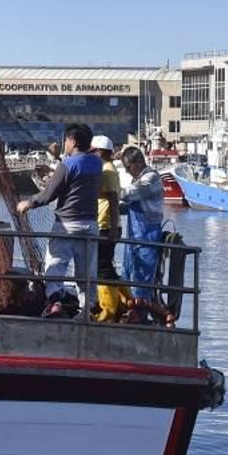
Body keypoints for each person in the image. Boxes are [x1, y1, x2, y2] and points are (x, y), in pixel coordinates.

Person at [16, 123, 101, 311]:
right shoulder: (96, 163)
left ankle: (55, 304)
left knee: (54, 267)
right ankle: (88, 311)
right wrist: (55, 173)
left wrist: (27, 203)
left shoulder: (67, 164)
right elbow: (75, 179)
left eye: (66, 140)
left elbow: (47, 196)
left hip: (67, 225)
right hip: (90, 225)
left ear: (72, 141)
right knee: (86, 273)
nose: (65, 144)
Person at [118, 146, 167, 301]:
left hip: (148, 238)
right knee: (127, 275)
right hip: (132, 239)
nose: (126, 171)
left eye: (128, 167)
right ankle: (127, 310)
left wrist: (109, 190)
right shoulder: (137, 179)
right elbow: (128, 206)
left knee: (143, 280)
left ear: (139, 162)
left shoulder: (151, 178)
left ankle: (140, 314)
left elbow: (131, 193)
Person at [91, 135, 127, 321]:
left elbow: (113, 199)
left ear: (99, 151)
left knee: (102, 269)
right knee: (108, 268)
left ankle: (108, 310)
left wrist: (113, 229)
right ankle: (127, 302)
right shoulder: (107, 169)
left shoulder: (107, 171)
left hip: (105, 226)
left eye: (92, 151)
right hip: (106, 225)